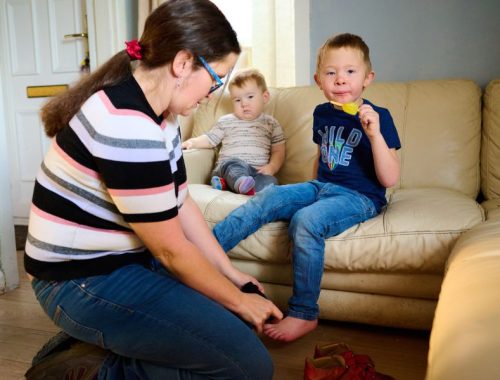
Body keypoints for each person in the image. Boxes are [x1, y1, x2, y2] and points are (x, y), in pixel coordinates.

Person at [23, 1, 282, 379]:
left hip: (118, 265)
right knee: (251, 368)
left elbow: (181, 202)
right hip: (78, 282)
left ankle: (91, 347)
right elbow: (172, 251)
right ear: (182, 63)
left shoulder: (161, 114)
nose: (214, 92)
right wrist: (239, 301)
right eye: (217, 77)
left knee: (233, 322)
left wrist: (229, 275)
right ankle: (93, 371)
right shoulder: (127, 125)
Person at [213, 33, 401, 342]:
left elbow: (390, 178)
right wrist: (308, 190)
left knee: (307, 220)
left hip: (360, 198)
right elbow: (322, 156)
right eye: (331, 72)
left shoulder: (379, 118)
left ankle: (303, 313)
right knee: (270, 196)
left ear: (368, 78)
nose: (340, 79)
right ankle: (203, 258)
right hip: (321, 186)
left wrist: (375, 135)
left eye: (350, 72)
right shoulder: (322, 113)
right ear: (318, 80)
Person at [182, 68, 285, 195]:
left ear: (265, 97)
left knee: (271, 182)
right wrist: (191, 143)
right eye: (237, 100)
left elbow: (278, 151)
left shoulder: (271, 124)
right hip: (229, 167)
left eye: (250, 97)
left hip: (257, 172)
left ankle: (230, 186)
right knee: (233, 165)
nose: (244, 104)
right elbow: (210, 140)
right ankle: (240, 183)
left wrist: (272, 167)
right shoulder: (226, 121)